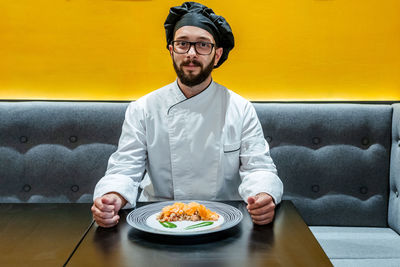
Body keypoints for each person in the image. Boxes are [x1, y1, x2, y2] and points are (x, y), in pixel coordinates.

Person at [91, 2, 283, 228]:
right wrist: (112, 197)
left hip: (225, 220)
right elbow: (124, 169)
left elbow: (258, 167)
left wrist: (263, 196)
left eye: (202, 45)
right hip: (156, 220)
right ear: (172, 50)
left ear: (217, 54)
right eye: (183, 44)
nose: (191, 54)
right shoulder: (143, 108)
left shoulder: (240, 108)